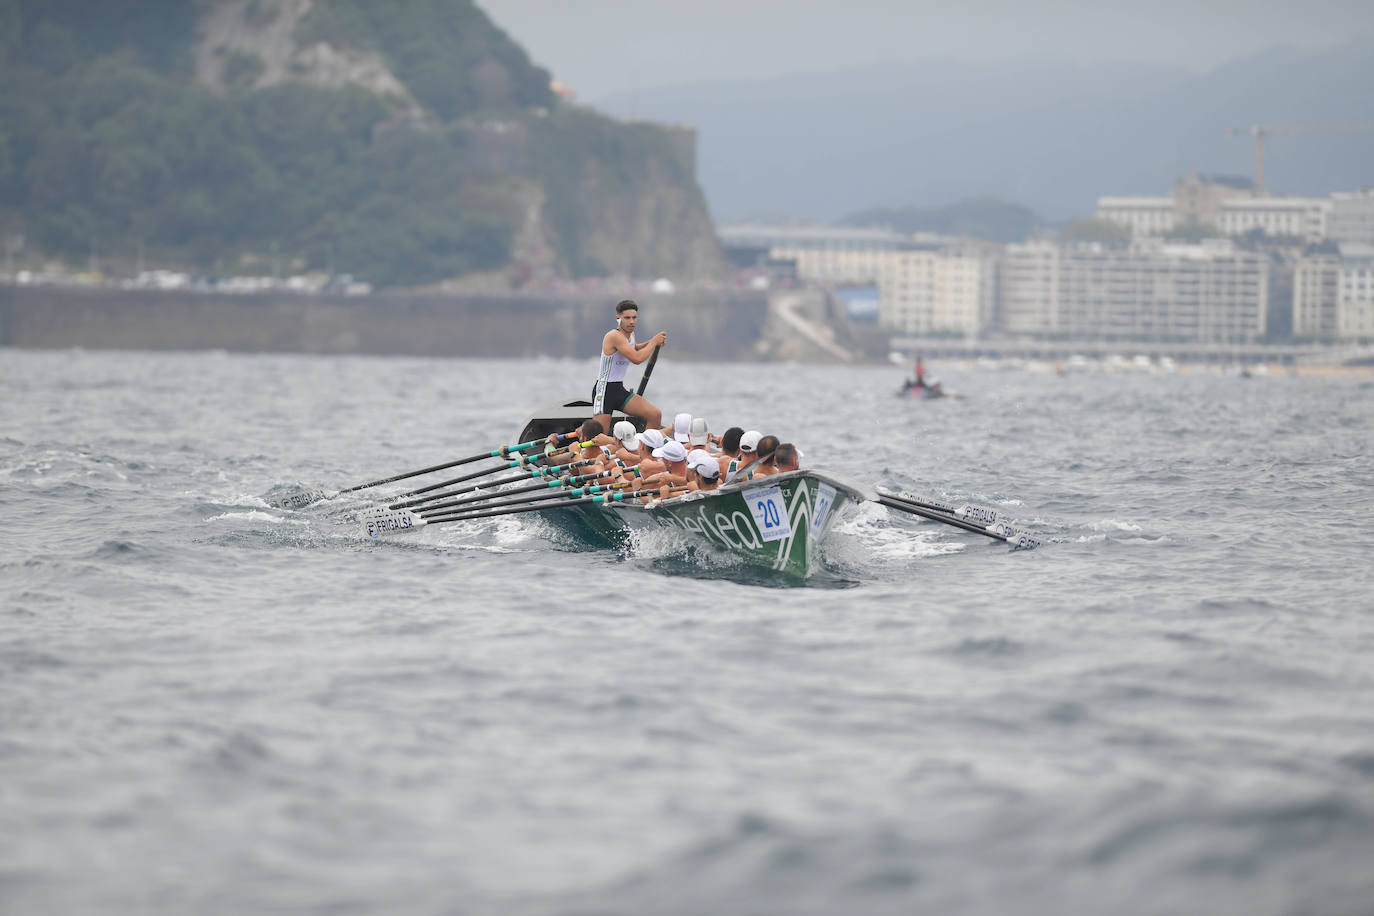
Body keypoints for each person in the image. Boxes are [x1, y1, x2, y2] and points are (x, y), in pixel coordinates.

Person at [593, 299, 665, 437]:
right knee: (600, 438)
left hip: (618, 390)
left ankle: (645, 447)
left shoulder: (630, 335)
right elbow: (637, 358)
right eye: (627, 318)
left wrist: (652, 342)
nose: (631, 321)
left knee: (655, 415)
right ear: (618, 318)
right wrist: (654, 342)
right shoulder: (614, 336)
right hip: (604, 392)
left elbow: (634, 348)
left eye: (634, 317)